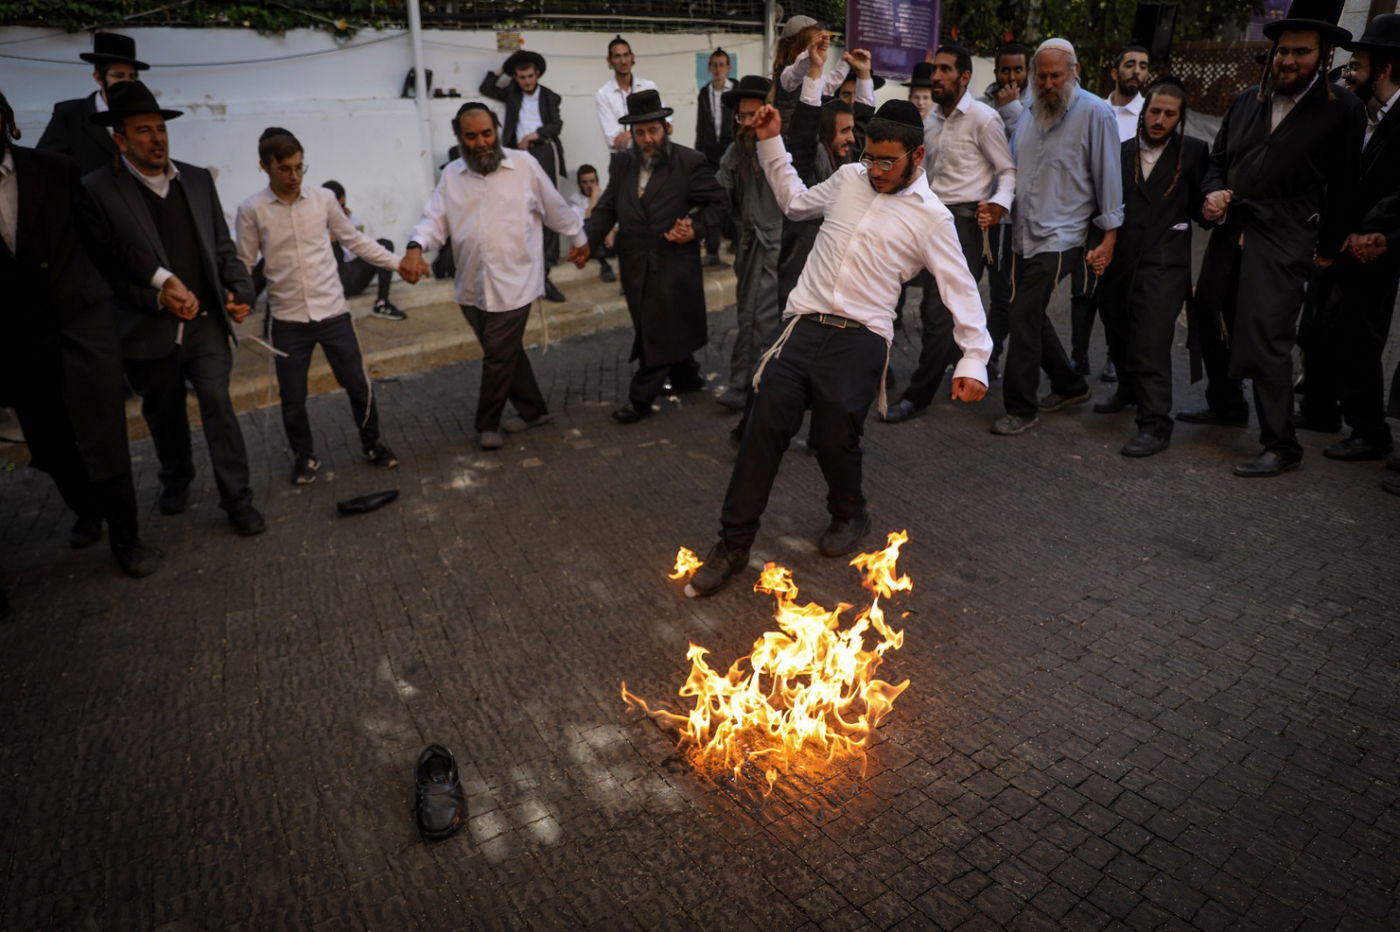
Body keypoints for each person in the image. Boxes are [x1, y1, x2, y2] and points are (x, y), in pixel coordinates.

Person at [687, 99, 991, 598]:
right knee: (762, 428)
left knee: (833, 437)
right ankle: (733, 545)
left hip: (862, 337)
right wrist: (770, 141)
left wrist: (973, 359)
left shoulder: (932, 218)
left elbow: (960, 287)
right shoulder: (849, 178)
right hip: (804, 325)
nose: (875, 170)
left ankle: (850, 512)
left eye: (887, 161)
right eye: (870, 157)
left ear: (917, 156)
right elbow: (795, 203)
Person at [1184, 1, 1364, 477]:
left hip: (1286, 236)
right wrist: (1210, 193)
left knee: (1267, 334)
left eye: (1301, 53)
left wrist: (1328, 248)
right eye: (1284, 51)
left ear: (1323, 57)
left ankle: (1281, 443)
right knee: (1209, 311)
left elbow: (1346, 185)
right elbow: (1218, 161)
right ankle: (1226, 405)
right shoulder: (1248, 99)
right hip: (1232, 229)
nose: (1288, 60)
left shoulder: (1342, 108)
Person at [79, 81, 265, 536]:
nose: (156, 139)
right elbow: (107, 271)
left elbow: (221, 247)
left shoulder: (196, 179)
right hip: (147, 327)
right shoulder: (97, 190)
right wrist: (155, 296)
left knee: (218, 403)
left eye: (160, 128)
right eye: (143, 131)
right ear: (120, 140)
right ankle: (175, 476)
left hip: (205, 324)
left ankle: (238, 498)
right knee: (164, 413)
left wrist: (239, 290)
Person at [0, 89, 160, 580]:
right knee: (48, 444)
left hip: (80, 326)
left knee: (103, 435)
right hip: (19, 339)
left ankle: (127, 538)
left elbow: (104, 245)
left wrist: (159, 281)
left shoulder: (54, 169)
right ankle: (86, 508)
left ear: (6, 120)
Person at [401, 103, 589, 451]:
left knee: (498, 356)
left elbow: (555, 208)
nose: (481, 143)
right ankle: (534, 411)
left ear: (497, 131)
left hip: (515, 282)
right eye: (471, 137)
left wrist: (579, 239)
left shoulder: (524, 165)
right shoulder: (452, 175)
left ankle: (486, 424)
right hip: (471, 286)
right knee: (504, 352)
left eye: (487, 133)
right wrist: (415, 247)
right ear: (460, 138)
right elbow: (433, 220)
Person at [235, 129, 412, 485]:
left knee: (359, 386)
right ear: (264, 166)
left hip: (333, 313)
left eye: (300, 167)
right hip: (287, 320)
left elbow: (355, 240)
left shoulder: (324, 199)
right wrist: (237, 297)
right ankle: (305, 456)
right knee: (293, 398)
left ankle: (372, 444)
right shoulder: (251, 210)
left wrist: (398, 263)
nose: (294, 176)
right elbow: (243, 261)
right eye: (285, 169)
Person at [991, 39, 1123, 437]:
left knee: (1022, 314)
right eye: (1042, 76)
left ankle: (1021, 407)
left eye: (1056, 76)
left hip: (1064, 235)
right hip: (1023, 231)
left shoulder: (1096, 112)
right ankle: (1070, 385)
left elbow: (1109, 176)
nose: (1048, 84)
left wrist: (1110, 237)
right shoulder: (1030, 110)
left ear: (1075, 72)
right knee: (1028, 311)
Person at [883, 44, 1014, 424]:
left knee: (938, 310)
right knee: (934, 306)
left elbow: (1008, 171)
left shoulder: (984, 119)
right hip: (928, 220)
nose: (935, 76)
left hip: (966, 226)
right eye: (934, 70)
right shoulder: (931, 122)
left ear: (965, 76)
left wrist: (998, 203)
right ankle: (967, 361)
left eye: (944, 70)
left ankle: (918, 396)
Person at [583, 90, 727, 424]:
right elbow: (606, 209)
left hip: (673, 261)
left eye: (653, 130)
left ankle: (640, 398)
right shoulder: (622, 164)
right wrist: (585, 244)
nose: (648, 139)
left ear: (666, 128)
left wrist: (695, 228)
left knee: (659, 327)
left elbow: (719, 202)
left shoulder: (689, 162)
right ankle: (686, 376)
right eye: (640, 132)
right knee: (656, 323)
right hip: (634, 262)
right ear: (632, 134)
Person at [1295, 14, 1400, 463]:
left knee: (1358, 338)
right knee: (1320, 328)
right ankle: (1320, 409)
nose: (1351, 72)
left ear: (1385, 68)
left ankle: (1369, 431)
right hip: (1338, 243)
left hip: (1374, 249)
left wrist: (1375, 231)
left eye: (1360, 63)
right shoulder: (1364, 113)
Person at [1093, 78, 1209, 457]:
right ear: (1144, 112)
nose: (1160, 120)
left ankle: (1155, 423)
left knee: (1151, 340)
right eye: (1155, 111)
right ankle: (1128, 390)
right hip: (1121, 260)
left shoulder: (1194, 153)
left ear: (1180, 117)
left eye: (1169, 114)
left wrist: (1213, 207)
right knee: (1117, 327)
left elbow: (1201, 210)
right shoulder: (1121, 152)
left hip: (1165, 264)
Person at [1069, 44, 1152, 383]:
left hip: (1131, 216)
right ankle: (1078, 357)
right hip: (1090, 213)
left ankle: (1115, 357)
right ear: (1115, 72)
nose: (1137, 71)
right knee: (1083, 289)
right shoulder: (1092, 109)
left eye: (1143, 66)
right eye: (1130, 64)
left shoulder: (1150, 114)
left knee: (1121, 291)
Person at [781, 46, 873, 310]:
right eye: (844, 131)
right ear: (824, 132)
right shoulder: (807, 162)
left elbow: (863, 127)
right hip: (802, 273)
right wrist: (815, 69)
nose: (851, 138)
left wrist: (864, 74)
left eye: (851, 131)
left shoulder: (848, 162)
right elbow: (803, 130)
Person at [716, 75, 785, 412]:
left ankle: (751, 384)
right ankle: (750, 381)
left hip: (781, 246)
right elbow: (719, 193)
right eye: (741, 116)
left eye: (752, 115)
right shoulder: (736, 150)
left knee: (764, 317)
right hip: (750, 246)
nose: (745, 122)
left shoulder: (783, 148)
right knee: (749, 314)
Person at [479, 50, 567, 302]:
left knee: (547, 205)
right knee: (516, 207)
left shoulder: (550, 96)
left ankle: (545, 270)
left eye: (530, 76)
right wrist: (504, 68)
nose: (527, 81)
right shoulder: (512, 93)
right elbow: (486, 87)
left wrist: (534, 135)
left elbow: (557, 125)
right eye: (521, 77)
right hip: (515, 154)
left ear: (537, 74)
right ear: (515, 78)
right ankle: (520, 267)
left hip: (542, 151)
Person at [980, 42, 1032, 379]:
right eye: (1005, 70)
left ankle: (993, 353)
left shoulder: (1036, 106)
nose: (1011, 77)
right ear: (996, 70)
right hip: (979, 211)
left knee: (1004, 294)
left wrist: (1012, 110)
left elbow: (1025, 152)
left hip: (1012, 217)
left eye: (1018, 70)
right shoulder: (981, 103)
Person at [37, 32, 146, 175]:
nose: (126, 83)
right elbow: (45, 162)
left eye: (132, 77)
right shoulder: (71, 113)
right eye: (118, 76)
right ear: (98, 77)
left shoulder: (142, 115)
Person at [319, 180, 406, 320]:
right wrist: (330, 237)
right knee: (331, 247)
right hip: (334, 283)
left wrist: (345, 227)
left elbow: (362, 250)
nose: (341, 210)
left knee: (384, 244)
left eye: (343, 205)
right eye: (337, 207)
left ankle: (382, 302)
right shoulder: (315, 225)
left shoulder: (351, 219)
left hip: (355, 275)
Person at [696, 47, 737, 268]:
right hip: (710, 155)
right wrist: (698, 157)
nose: (718, 69)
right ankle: (712, 251)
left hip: (732, 151)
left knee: (734, 199)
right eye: (715, 65)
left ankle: (737, 242)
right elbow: (701, 127)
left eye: (722, 65)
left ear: (728, 68)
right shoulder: (704, 93)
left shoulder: (736, 89)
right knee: (710, 200)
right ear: (709, 68)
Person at [596, 37, 657, 152]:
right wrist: (646, 130)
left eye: (626, 55)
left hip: (650, 153)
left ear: (632, 57)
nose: (623, 61)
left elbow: (665, 126)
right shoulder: (603, 94)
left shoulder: (648, 87)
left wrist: (629, 134)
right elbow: (613, 140)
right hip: (622, 158)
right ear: (609, 60)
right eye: (617, 56)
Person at [567, 164, 616, 282]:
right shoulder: (574, 201)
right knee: (591, 235)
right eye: (585, 182)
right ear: (579, 184)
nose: (589, 185)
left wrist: (611, 231)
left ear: (597, 181)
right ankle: (605, 266)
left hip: (609, 241)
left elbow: (617, 217)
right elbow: (586, 224)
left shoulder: (605, 195)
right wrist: (594, 199)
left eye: (592, 181)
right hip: (593, 242)